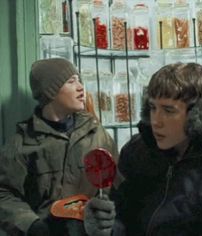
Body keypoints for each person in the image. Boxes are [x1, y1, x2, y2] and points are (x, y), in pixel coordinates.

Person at [83, 62, 202, 236]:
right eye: (153, 108)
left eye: (168, 110)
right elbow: (122, 217)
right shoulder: (136, 151)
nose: (156, 121)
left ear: (197, 116)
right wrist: (105, 228)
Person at [0, 57, 118, 236]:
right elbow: (4, 194)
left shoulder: (96, 133)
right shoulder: (22, 143)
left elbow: (119, 188)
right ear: (51, 92)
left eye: (79, 80)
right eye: (71, 82)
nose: (80, 87)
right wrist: (32, 226)